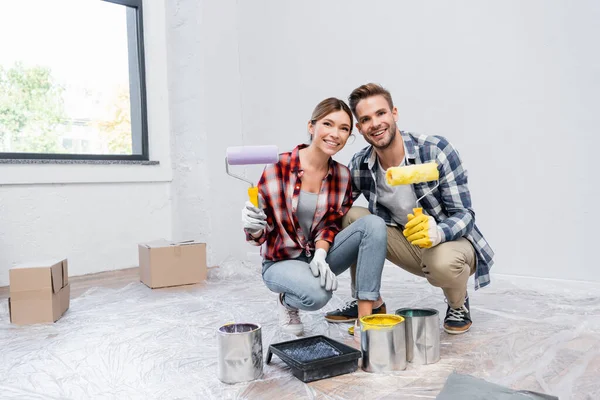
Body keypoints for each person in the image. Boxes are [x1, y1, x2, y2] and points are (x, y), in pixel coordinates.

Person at [325, 83, 495, 335]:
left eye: (381, 113)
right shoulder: (361, 163)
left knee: (442, 262)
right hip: (404, 241)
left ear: (394, 113)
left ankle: (457, 304)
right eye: (366, 119)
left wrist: (437, 232)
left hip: (449, 244)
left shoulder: (435, 150)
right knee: (352, 218)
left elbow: (465, 215)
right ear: (359, 128)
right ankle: (371, 302)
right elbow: (333, 209)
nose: (376, 123)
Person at [241, 97, 388, 338]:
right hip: (280, 262)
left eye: (344, 129)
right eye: (328, 124)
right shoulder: (277, 167)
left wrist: (321, 254)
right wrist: (253, 226)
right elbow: (259, 236)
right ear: (312, 127)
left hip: (318, 256)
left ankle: (366, 319)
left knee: (373, 224)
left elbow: (330, 222)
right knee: (318, 295)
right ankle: (287, 301)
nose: (335, 134)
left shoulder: (342, 176)